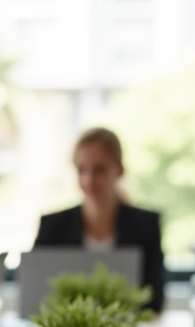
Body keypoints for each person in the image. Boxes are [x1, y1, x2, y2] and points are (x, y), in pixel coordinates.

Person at [33, 127, 166, 312]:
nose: (89, 180)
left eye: (99, 170)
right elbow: (35, 296)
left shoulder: (145, 226)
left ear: (119, 171)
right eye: (82, 170)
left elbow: (154, 301)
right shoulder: (53, 226)